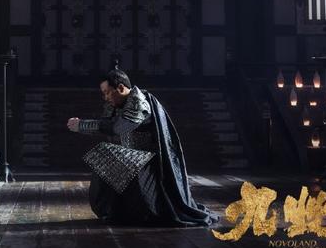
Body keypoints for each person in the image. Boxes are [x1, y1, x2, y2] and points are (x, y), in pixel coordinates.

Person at [67, 68, 215, 226]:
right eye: (103, 94)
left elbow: (117, 127)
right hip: (134, 159)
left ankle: (137, 210)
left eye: (107, 92)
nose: (106, 97)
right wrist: (81, 125)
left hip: (151, 164)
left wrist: (82, 124)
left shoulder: (139, 101)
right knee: (106, 154)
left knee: (106, 153)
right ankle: (113, 211)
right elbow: (106, 124)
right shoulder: (117, 104)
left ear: (121, 88)